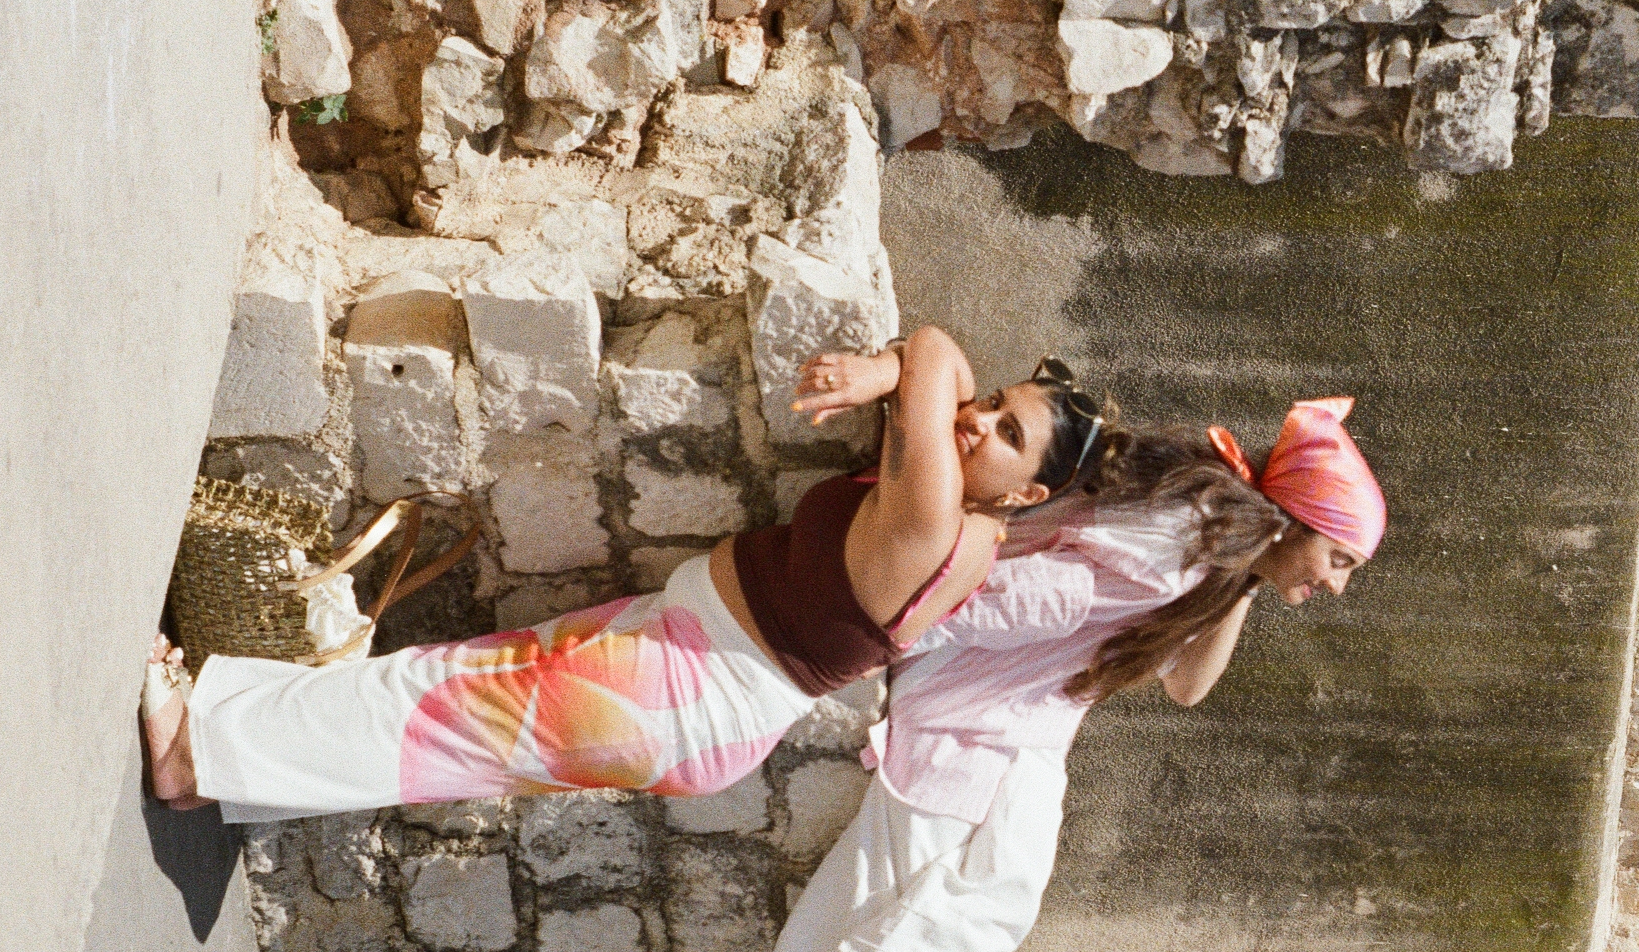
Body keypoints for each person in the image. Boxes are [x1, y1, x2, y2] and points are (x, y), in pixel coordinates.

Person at [756, 397, 1385, 952]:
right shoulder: (1172, 550)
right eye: (1337, 556)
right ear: (1298, 519)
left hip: (1025, 716)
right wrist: (892, 627)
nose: (1334, 584)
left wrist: (1256, 570)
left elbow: (1188, 686)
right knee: (996, 889)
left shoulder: (1214, 556)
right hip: (975, 696)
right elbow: (1027, 595)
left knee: (993, 905)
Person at [139, 329, 1104, 824]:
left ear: (1025, 498)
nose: (976, 420)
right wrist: (896, 377)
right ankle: (222, 775)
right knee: (444, 705)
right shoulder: (970, 524)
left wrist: (891, 368)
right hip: (688, 673)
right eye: (991, 404)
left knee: (430, 707)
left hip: (685, 688)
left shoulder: (939, 514)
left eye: (1008, 434)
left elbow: (938, 350)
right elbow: (940, 384)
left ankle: (194, 750)